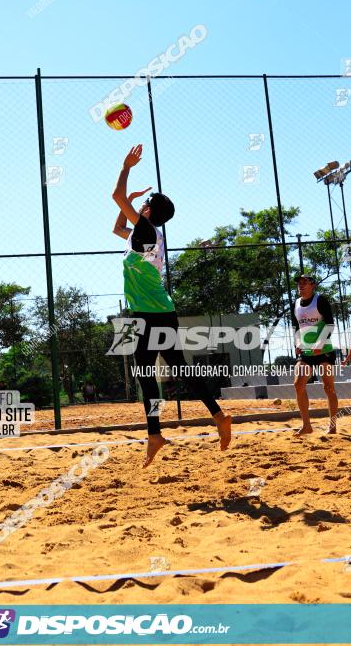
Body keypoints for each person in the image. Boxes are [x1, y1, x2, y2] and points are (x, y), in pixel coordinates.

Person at [112, 143, 231, 467]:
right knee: (163, 371)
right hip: (152, 314)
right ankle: (205, 420)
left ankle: (160, 432)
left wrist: (126, 168)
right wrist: (133, 203)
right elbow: (117, 227)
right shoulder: (144, 233)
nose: (143, 206)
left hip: (154, 315)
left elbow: (116, 197)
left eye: (146, 204)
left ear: (150, 212)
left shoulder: (149, 231)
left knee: (151, 372)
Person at [291, 275, 339, 435]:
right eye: (299, 283)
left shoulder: (320, 300)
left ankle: (332, 426)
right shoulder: (296, 304)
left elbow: (330, 325)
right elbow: (296, 327)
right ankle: (307, 426)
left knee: (328, 388)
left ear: (313, 285)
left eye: (304, 282)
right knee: (298, 384)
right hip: (306, 352)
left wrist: (319, 344)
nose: (300, 285)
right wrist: (297, 344)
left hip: (323, 350)